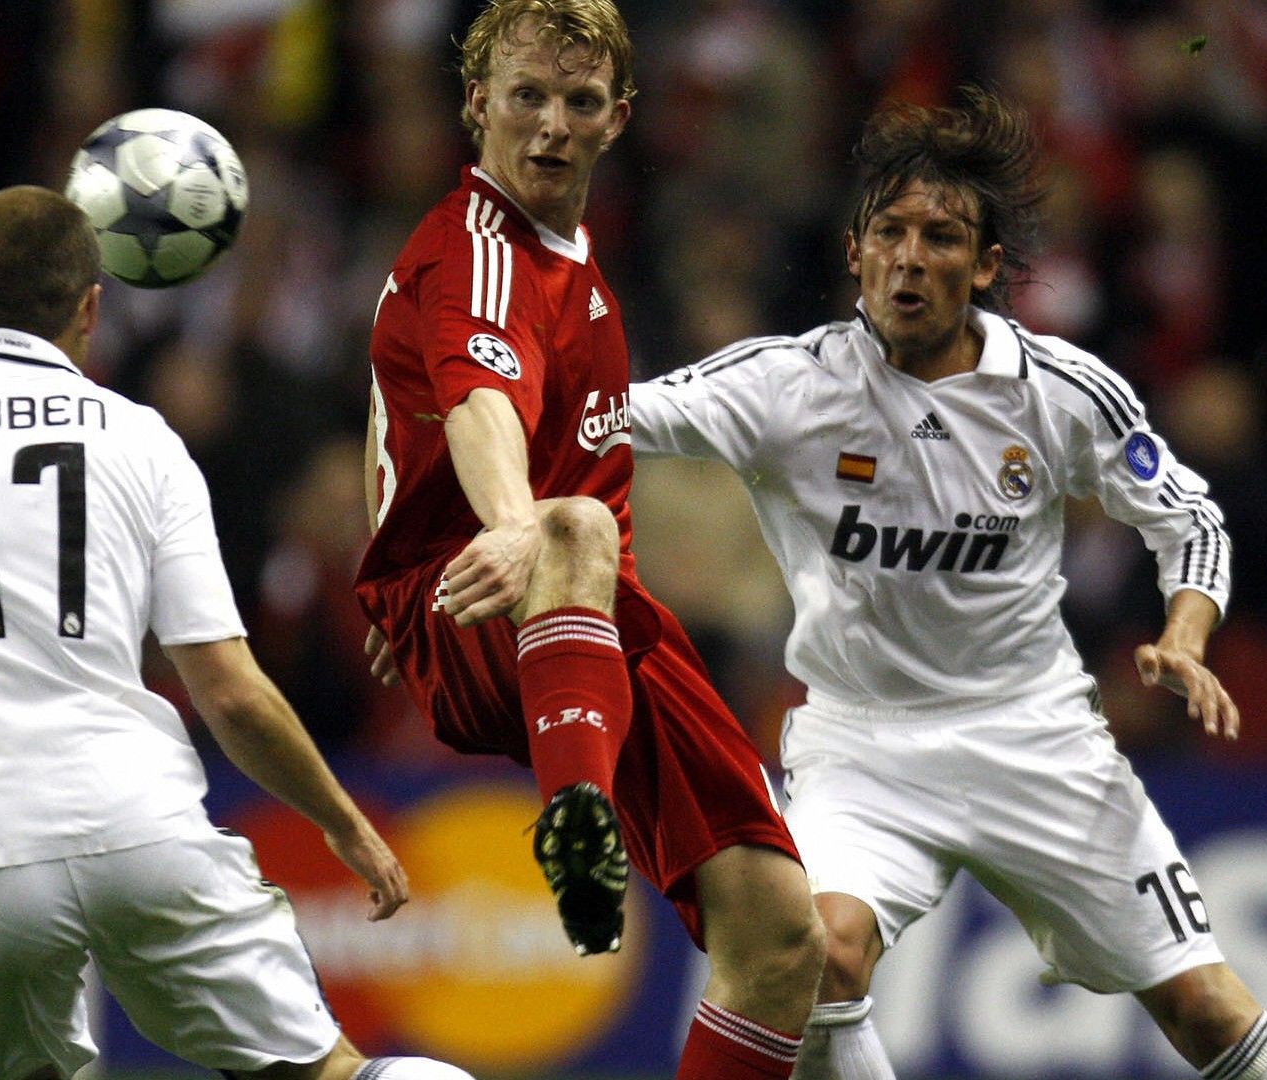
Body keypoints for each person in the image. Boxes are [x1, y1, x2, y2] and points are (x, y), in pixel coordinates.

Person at [628, 88, 1267, 1080]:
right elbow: (601, 417)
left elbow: (1191, 520)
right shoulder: (788, 387)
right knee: (818, 957)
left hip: (1034, 736)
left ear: (987, 267)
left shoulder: (1060, 393)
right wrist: (470, 394)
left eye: (942, 236)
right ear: (855, 252)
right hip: (863, 743)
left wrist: (1185, 632)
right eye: (891, 232)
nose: (912, 256)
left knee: (1206, 1011)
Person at [0, 186, 474, 1080]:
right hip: (141, 826)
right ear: (90, 308)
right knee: (330, 1073)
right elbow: (227, 688)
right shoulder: (144, 441)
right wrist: (343, 822)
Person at [354, 2, 825, 1077]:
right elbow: (479, 410)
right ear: (477, 104)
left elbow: (396, 397)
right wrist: (509, 535)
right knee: (573, 523)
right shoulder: (484, 253)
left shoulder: (564, 254)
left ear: (619, 118)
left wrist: (401, 537)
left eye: (579, 101)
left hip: (594, 614)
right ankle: (580, 823)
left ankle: (587, 803)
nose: (551, 125)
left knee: (782, 936)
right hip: (512, 589)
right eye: (527, 96)